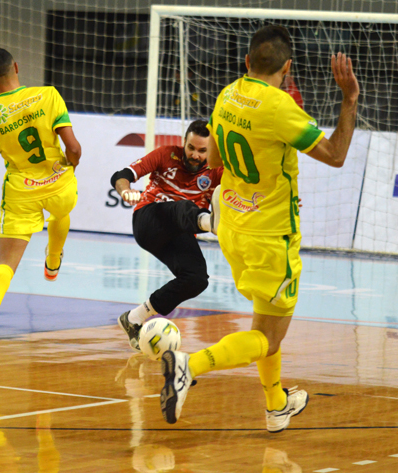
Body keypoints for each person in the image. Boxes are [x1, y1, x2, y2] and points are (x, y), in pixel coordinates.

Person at [159, 25, 359, 432]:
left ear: (247, 61)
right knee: (268, 336)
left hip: (233, 227)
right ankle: (188, 365)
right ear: (287, 67)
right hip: (270, 235)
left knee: (264, 318)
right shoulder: (280, 107)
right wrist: (350, 98)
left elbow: (213, 159)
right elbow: (336, 155)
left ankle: (276, 404)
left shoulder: (227, 94)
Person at [0, 47, 82, 361]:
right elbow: (74, 148)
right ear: (17, 67)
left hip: (20, 190)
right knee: (62, 211)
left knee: (6, 263)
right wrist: (68, 168)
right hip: (56, 180)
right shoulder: (48, 96)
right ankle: (53, 259)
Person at [111, 120, 223, 351]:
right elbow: (122, 175)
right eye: (191, 148)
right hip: (149, 220)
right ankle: (210, 223)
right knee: (182, 206)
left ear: (211, 150)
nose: (195, 155)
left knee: (196, 279)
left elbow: (253, 190)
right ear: (184, 143)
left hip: (179, 229)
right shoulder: (165, 154)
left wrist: (274, 202)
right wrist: (126, 191)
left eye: (202, 151)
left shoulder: (218, 171)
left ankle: (133, 318)